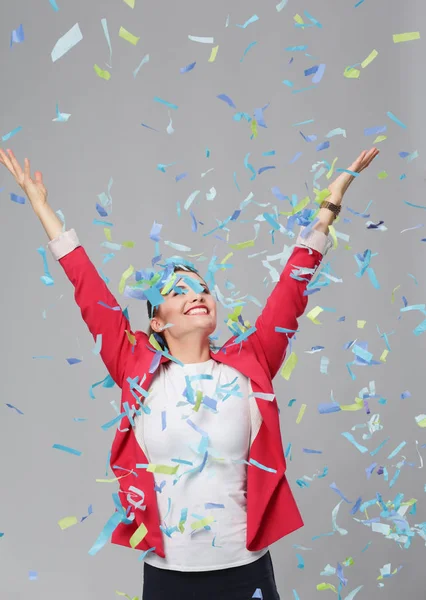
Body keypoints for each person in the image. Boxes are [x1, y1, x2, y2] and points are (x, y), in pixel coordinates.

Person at [0, 147, 379, 599]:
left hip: (246, 571)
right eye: (178, 291)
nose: (196, 294)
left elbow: (291, 289)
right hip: (168, 576)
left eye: (201, 288)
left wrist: (329, 206)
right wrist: (42, 207)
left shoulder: (251, 361)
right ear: (156, 321)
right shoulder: (135, 366)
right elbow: (90, 292)